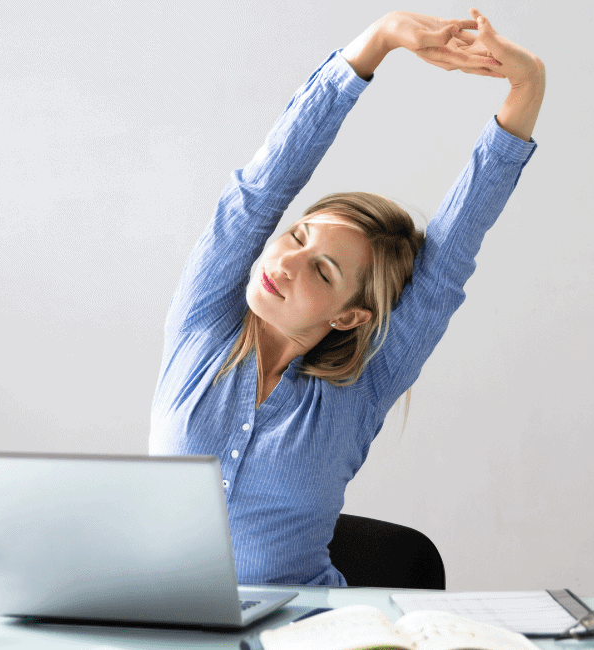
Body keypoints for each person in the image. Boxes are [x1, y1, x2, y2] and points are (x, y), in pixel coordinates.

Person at [150, 9, 544, 586]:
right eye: (298, 235)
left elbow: (448, 261)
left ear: (351, 315)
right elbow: (263, 187)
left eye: (323, 270)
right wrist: (378, 41)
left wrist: (527, 83)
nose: (284, 261)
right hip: (159, 629)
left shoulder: (362, 388)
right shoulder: (202, 325)